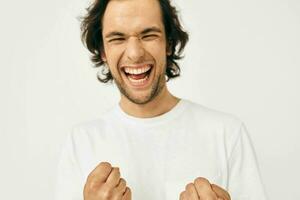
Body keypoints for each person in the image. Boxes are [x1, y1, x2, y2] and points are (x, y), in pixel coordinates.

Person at [55, 0, 267, 199]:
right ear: (103, 51)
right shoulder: (80, 143)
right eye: (117, 38)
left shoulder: (227, 134)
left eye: (148, 35)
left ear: (169, 43)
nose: (135, 54)